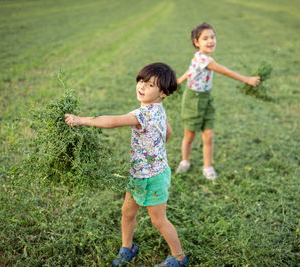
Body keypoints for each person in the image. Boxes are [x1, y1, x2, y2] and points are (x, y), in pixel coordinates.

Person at [65, 63, 188, 266]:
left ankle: (179, 257)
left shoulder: (142, 114)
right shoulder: (158, 109)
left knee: (158, 220)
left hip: (154, 176)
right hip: (139, 173)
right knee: (127, 212)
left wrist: (81, 120)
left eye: (149, 85)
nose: (141, 86)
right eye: (141, 81)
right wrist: (156, 146)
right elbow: (169, 132)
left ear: (163, 93)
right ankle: (128, 247)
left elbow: (112, 121)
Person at [176, 22, 261, 180]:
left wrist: (178, 80)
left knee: (209, 135)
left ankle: (207, 166)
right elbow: (225, 71)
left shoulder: (203, 58)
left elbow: (190, 70)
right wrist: (246, 79)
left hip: (206, 98)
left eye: (212, 37)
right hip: (192, 100)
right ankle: (185, 161)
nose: (210, 41)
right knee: (190, 135)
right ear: (196, 42)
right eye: (205, 38)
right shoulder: (203, 58)